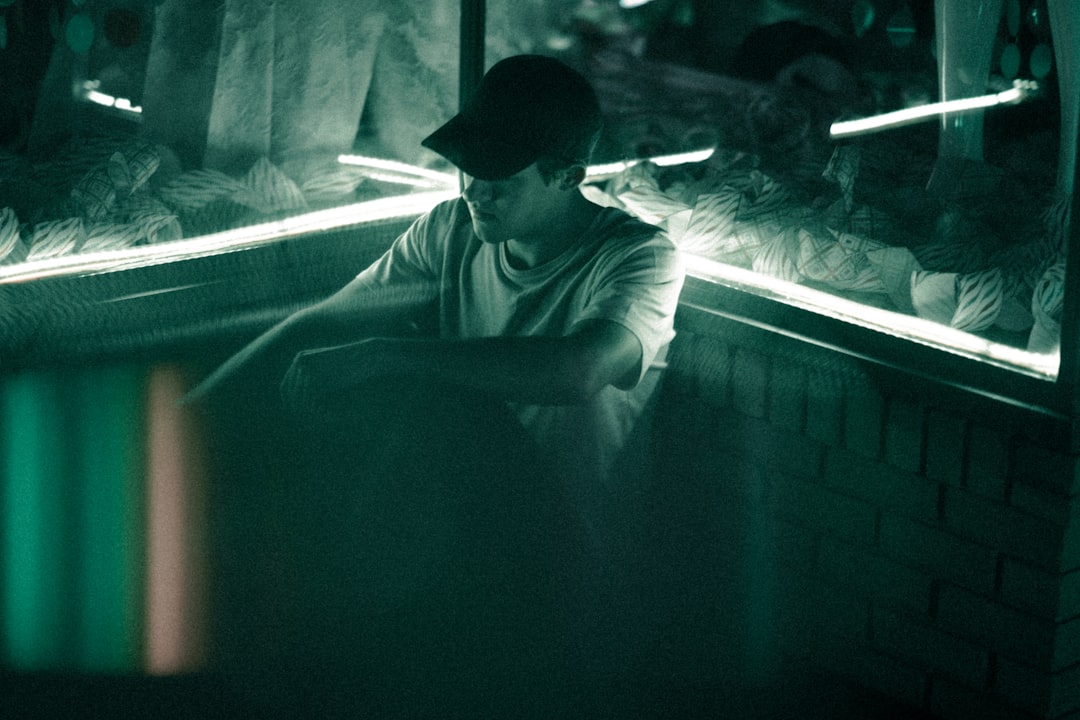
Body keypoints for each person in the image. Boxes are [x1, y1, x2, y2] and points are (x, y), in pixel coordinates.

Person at [187, 54, 685, 717]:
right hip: (452, 538)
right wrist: (189, 417)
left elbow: (578, 370)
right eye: (468, 170)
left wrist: (391, 355)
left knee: (432, 403)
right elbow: (321, 325)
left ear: (568, 176)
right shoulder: (451, 228)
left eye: (500, 179)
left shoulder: (639, 256)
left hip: (560, 562)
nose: (476, 192)